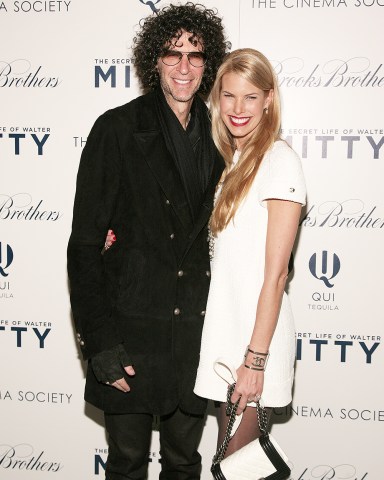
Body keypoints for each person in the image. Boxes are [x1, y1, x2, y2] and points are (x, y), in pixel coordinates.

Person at [67, 3, 229, 479]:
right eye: (172, 53)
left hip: (196, 338)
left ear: (209, 63)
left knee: (185, 464)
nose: (183, 66)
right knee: (126, 464)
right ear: (152, 60)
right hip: (131, 337)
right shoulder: (116, 129)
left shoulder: (224, 136)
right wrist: (100, 346)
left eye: (195, 55)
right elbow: (84, 247)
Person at [194, 48, 306, 457]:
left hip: (255, 342)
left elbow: (277, 275)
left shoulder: (280, 161)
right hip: (226, 336)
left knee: (235, 466)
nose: (238, 108)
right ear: (217, 98)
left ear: (269, 99)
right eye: (229, 96)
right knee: (231, 464)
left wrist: (255, 361)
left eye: (250, 97)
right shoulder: (233, 162)